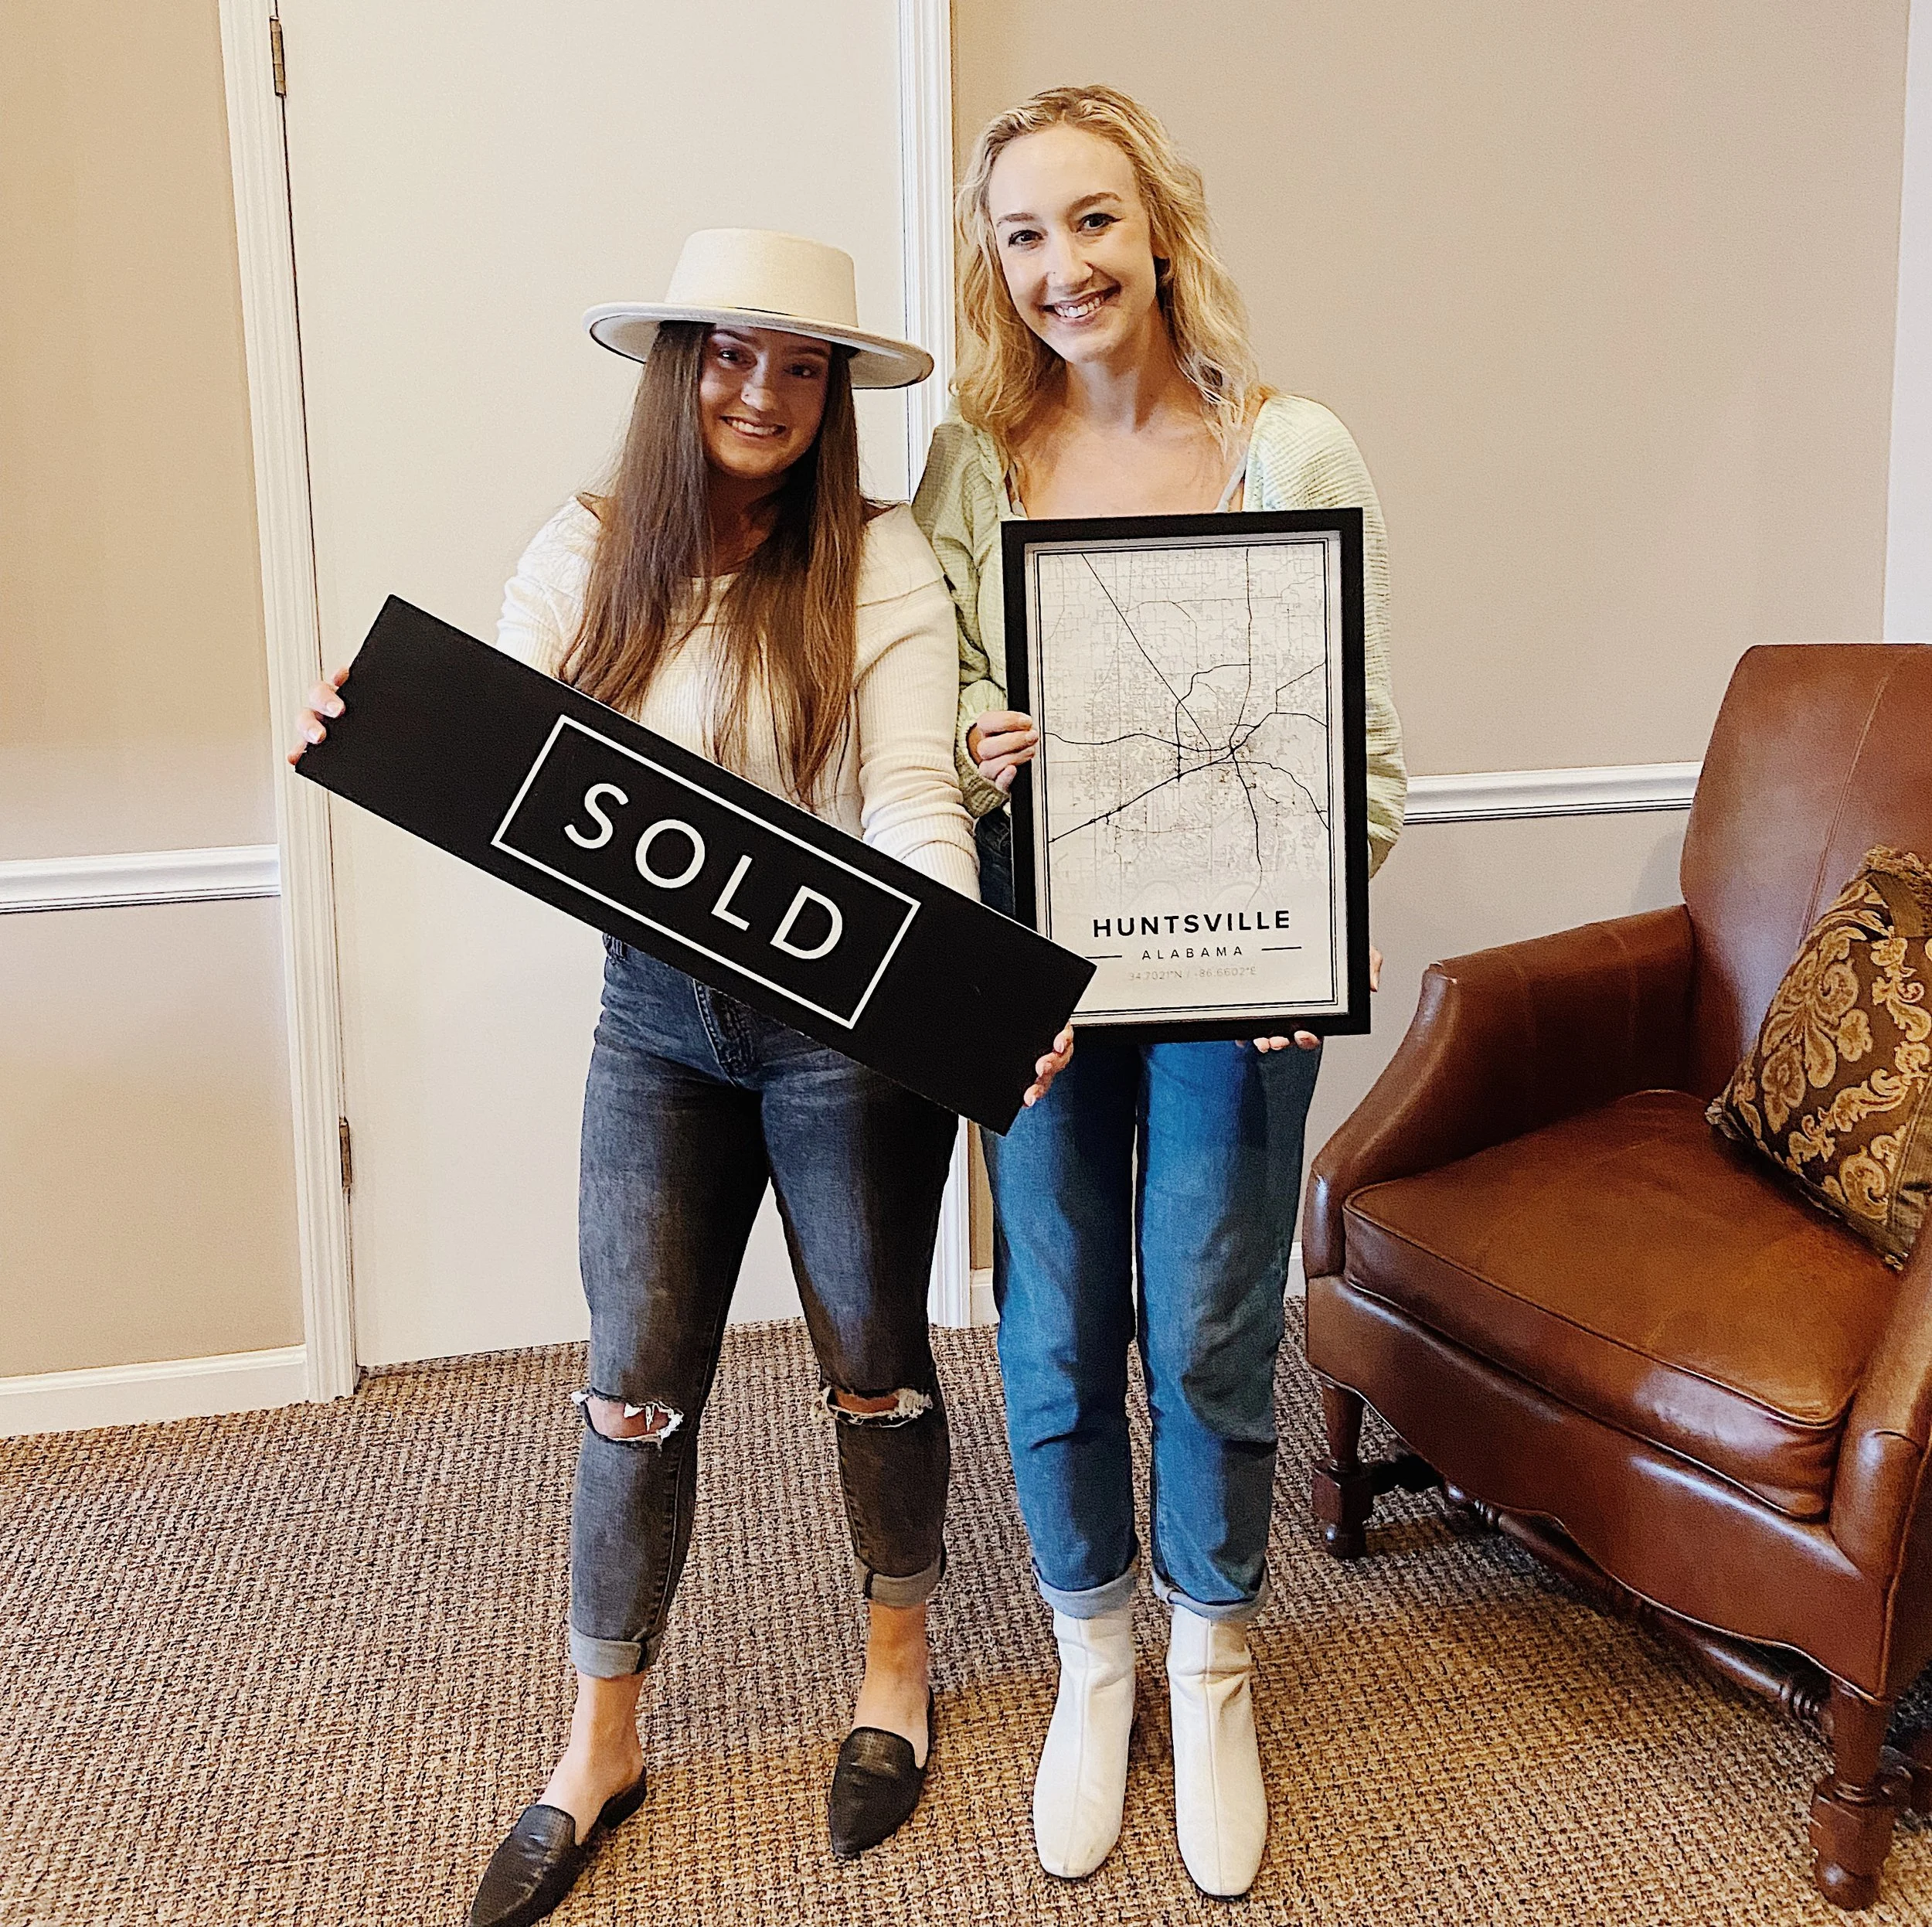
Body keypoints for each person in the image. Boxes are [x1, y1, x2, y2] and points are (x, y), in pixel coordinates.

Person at [294, 228, 1069, 1927]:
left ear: (834, 396)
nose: (765, 395)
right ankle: (600, 1737)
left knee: (873, 1359)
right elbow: (521, 786)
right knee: (631, 1385)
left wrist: (950, 990)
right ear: (674, 368)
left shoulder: (869, 561)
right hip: (652, 1022)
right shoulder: (581, 557)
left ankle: (894, 1669)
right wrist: (390, 732)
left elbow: (912, 799)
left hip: (843, 1036)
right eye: (732, 356)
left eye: (802, 369)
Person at [912, 89, 1406, 1898]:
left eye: (1091, 222)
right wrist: (973, 742)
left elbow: (1354, 748)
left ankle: (1211, 1664)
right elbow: (923, 727)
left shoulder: (1290, 449)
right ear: (995, 263)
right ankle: (1089, 1651)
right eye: (1022, 235)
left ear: (1161, 228)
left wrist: (1311, 930)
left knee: (1201, 1320)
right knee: (1049, 1327)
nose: (1060, 268)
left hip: (1231, 973)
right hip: (1026, 963)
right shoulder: (968, 466)